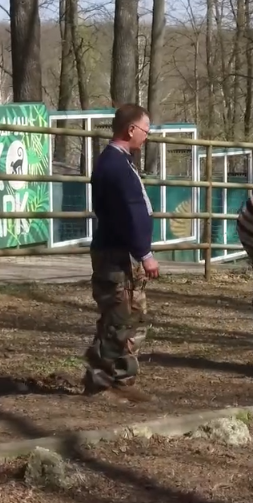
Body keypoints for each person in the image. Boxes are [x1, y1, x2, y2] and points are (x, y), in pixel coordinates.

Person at [82, 103, 160, 393]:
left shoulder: (121, 162)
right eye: (145, 130)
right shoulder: (115, 165)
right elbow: (130, 213)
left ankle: (123, 379)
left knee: (131, 316)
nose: (146, 136)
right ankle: (102, 382)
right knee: (118, 319)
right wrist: (145, 253)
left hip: (121, 254)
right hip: (116, 256)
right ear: (130, 130)